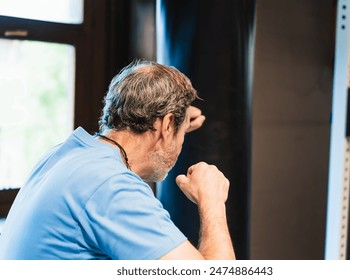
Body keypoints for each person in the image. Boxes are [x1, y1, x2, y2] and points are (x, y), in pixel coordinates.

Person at [0, 60, 235, 260]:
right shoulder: (112, 186)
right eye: (180, 130)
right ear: (165, 125)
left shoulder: (63, 155)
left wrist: (177, 124)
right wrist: (211, 200)